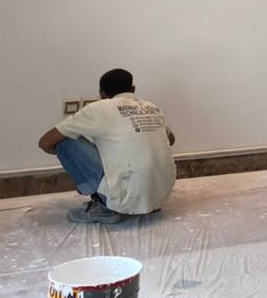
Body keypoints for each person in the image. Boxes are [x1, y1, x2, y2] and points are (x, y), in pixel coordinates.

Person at [37, 68, 176, 224]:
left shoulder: (98, 109)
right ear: (133, 89)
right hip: (159, 195)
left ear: (102, 94)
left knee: (64, 142)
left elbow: (45, 142)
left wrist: (72, 158)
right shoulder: (152, 108)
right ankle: (144, 202)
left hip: (123, 197)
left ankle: (103, 205)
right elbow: (170, 140)